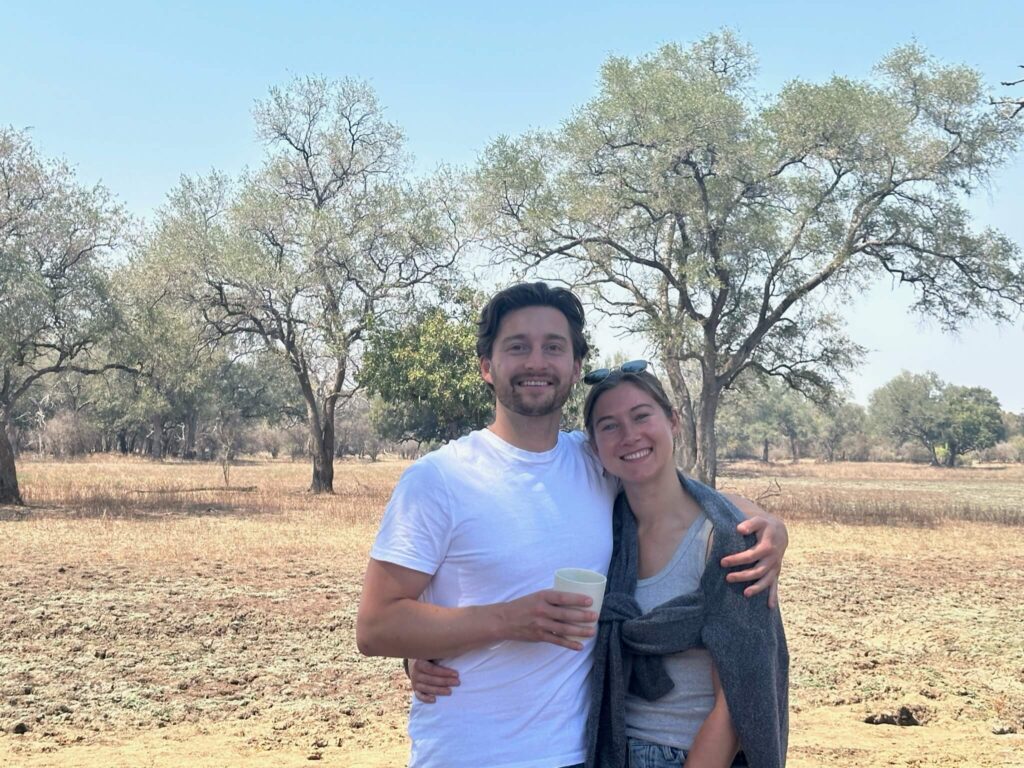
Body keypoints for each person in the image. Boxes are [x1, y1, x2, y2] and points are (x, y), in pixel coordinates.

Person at [357, 282, 787, 768]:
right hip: (468, 753)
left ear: (575, 367)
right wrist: (503, 622)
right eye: (517, 346)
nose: (536, 362)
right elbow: (375, 626)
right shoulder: (438, 479)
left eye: (553, 347)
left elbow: (676, 490)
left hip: (585, 752)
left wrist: (768, 524)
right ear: (486, 366)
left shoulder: (594, 462)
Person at [582, 363, 788, 768]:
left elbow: (738, 701)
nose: (629, 435)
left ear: (673, 421)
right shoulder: (601, 533)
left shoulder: (726, 540)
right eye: (609, 426)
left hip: (692, 754)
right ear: (593, 446)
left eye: (642, 416)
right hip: (609, 748)